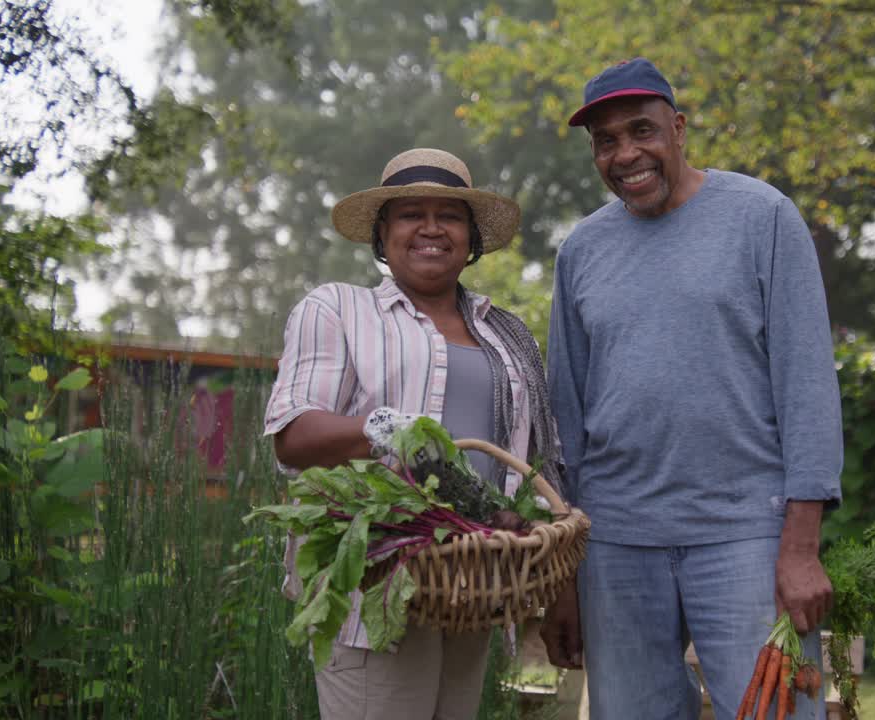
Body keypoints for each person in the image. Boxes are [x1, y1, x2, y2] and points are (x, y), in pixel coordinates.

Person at [540, 58, 843, 720]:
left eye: (641, 130)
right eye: (606, 141)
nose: (626, 154)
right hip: (615, 542)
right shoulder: (582, 252)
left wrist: (801, 547)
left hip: (745, 534)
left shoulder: (761, 217)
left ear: (678, 128)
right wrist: (564, 579)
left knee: (778, 713)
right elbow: (564, 418)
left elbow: (809, 387)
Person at [264, 147, 563, 720]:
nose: (431, 228)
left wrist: (555, 581)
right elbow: (292, 434)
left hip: (473, 586)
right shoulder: (337, 310)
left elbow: (539, 462)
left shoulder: (507, 334)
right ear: (382, 234)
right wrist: (383, 429)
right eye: (410, 214)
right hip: (376, 582)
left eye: (449, 215)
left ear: (471, 236)